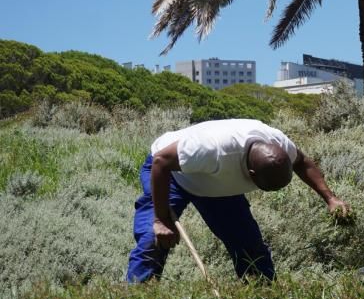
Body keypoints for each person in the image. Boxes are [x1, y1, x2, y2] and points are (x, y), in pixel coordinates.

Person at [126, 118, 349, 283]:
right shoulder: (212, 149)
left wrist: (331, 199)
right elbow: (161, 162)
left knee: (250, 249)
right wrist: (160, 219)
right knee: (152, 241)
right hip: (171, 174)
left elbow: (302, 162)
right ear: (250, 173)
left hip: (216, 184)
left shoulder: (280, 144)